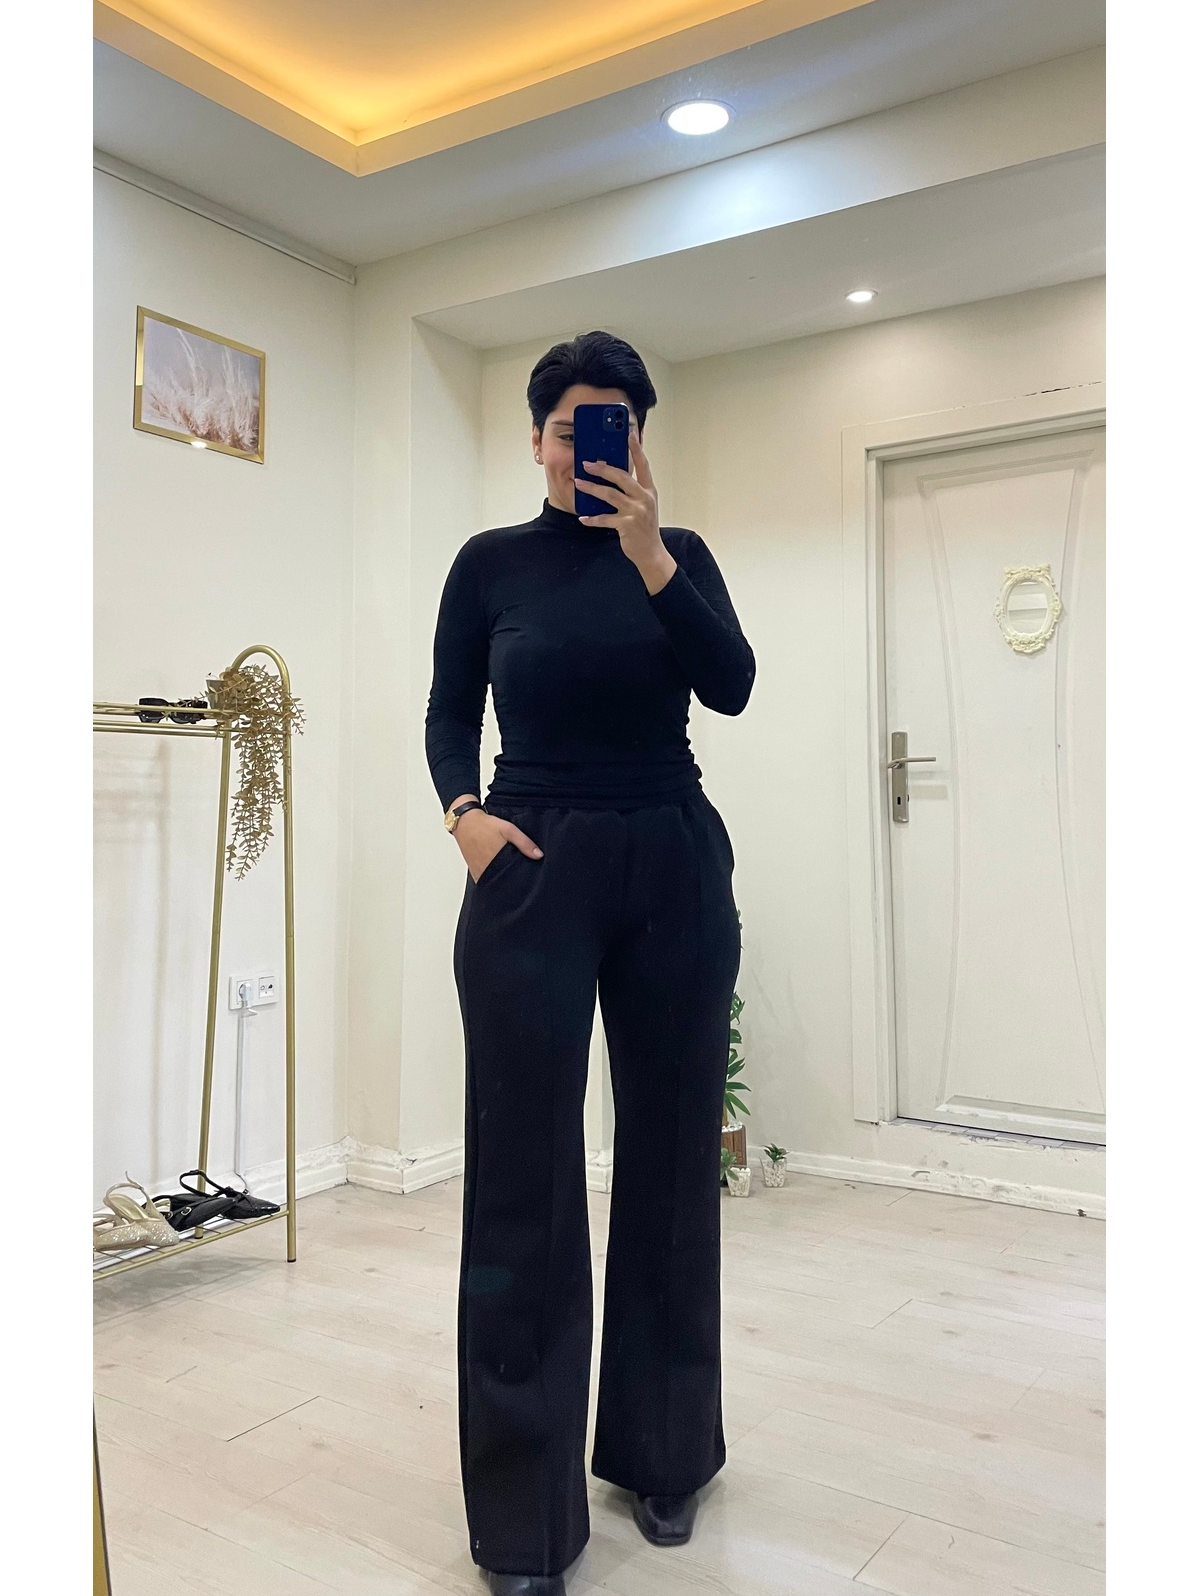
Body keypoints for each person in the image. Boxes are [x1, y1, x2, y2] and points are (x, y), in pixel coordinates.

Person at [424, 331, 755, 1596]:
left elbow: (731, 685)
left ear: (641, 441)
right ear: (537, 439)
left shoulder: (681, 555)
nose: (592, 448)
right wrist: (463, 814)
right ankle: (523, 1520)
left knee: (670, 1160)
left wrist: (652, 554)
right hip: (532, 860)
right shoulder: (489, 563)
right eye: (573, 427)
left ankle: (665, 1454)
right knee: (522, 1176)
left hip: (671, 857)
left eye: (616, 426)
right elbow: (449, 707)